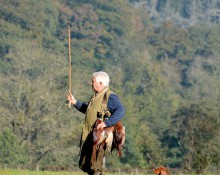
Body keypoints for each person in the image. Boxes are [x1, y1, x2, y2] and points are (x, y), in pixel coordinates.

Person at [67, 71, 125, 175]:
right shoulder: (97, 96)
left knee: (95, 168)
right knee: (87, 165)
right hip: (90, 136)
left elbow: (121, 110)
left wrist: (106, 124)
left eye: (93, 81)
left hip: (99, 139)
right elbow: (89, 110)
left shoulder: (110, 96)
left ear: (101, 83)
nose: (91, 83)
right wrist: (75, 102)